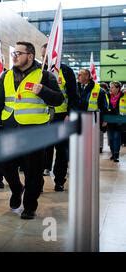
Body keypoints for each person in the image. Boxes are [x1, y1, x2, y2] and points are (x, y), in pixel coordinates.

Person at [0, 41, 64, 220]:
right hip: (9, 129)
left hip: (34, 131)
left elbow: (59, 100)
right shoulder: (6, 76)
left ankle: (30, 206)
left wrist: (43, 91)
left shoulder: (44, 76)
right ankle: (16, 189)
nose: (14, 56)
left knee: (33, 172)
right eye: (14, 53)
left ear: (30, 56)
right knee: (5, 165)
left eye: (18, 53)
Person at [41, 43, 78, 192]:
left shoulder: (67, 72)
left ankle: (59, 180)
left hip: (62, 118)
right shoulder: (39, 71)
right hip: (42, 118)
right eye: (42, 56)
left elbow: (74, 96)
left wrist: (70, 114)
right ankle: (39, 182)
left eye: (46, 56)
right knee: (42, 151)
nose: (44, 58)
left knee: (61, 151)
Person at [76, 68, 108, 148]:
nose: (78, 76)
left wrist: (104, 120)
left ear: (87, 76)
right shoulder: (75, 88)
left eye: (80, 74)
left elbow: (104, 107)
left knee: (90, 145)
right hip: (78, 120)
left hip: (92, 120)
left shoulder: (99, 90)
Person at [106, 81, 125, 162]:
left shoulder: (123, 95)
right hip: (109, 118)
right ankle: (113, 153)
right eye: (110, 87)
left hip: (119, 119)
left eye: (113, 87)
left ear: (118, 88)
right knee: (110, 138)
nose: (111, 89)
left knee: (116, 138)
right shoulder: (107, 95)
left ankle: (116, 155)